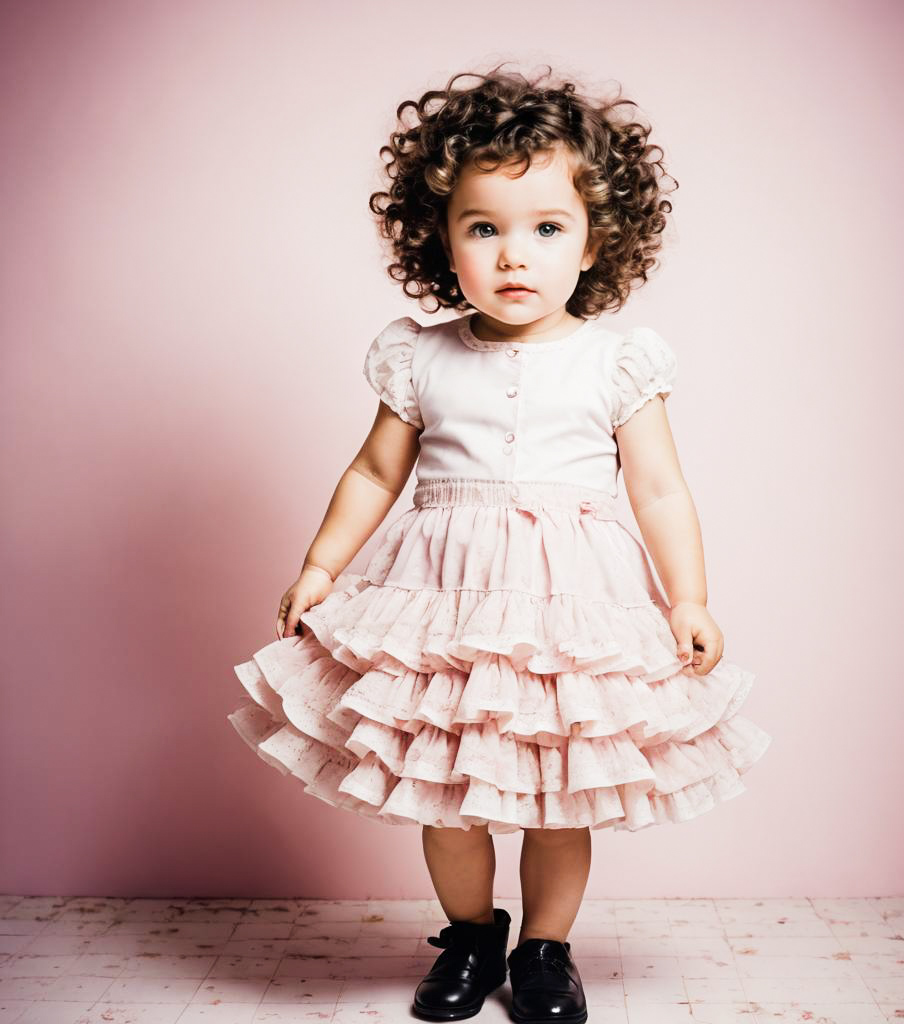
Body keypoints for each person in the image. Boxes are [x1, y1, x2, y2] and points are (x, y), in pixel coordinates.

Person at [227, 63, 772, 1024]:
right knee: (452, 793)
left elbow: (658, 487)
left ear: (595, 237)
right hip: (443, 600)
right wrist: (320, 568)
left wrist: (688, 596)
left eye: (546, 229)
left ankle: (548, 951)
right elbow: (372, 474)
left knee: (562, 792)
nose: (514, 256)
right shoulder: (422, 354)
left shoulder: (616, 359)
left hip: (573, 606)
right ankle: (472, 936)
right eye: (485, 229)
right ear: (440, 237)